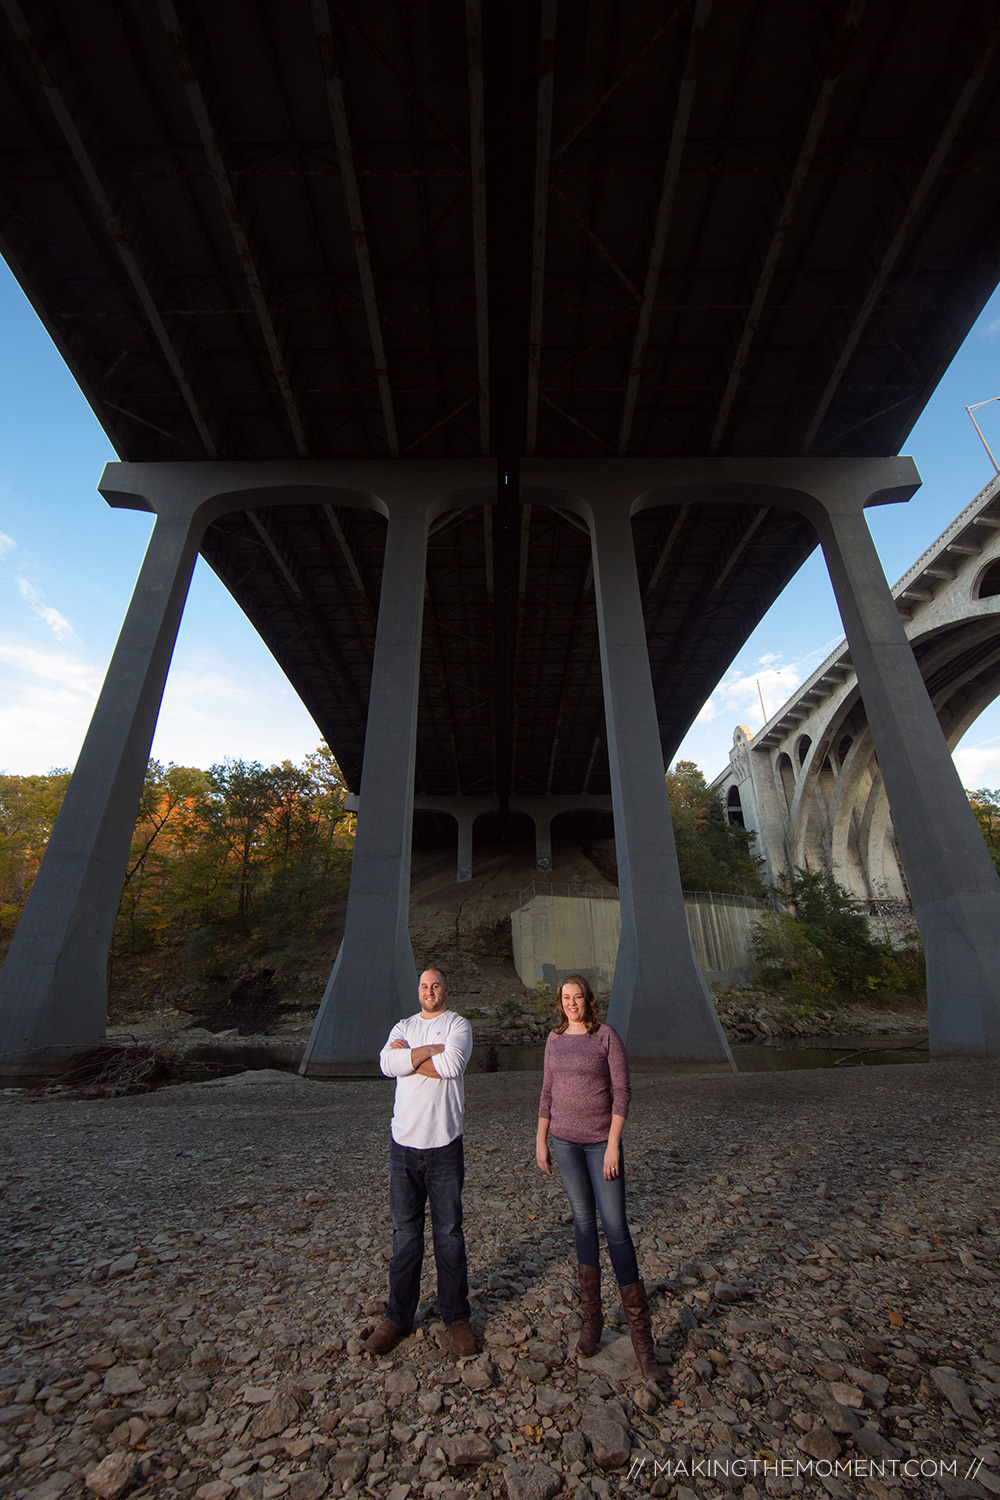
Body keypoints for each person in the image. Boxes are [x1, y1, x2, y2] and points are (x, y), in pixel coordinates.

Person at [535, 973, 658, 1380]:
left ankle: (642, 1340)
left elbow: (622, 1091)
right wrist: (541, 1140)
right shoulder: (554, 1040)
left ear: (588, 1000)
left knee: (616, 1227)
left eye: (577, 997)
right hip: (564, 1143)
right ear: (560, 1003)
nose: (572, 1003)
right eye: (565, 998)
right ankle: (592, 1323)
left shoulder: (606, 1036)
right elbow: (547, 1092)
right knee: (584, 1225)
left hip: (601, 1143)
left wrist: (612, 1144)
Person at [366, 967, 477, 1357]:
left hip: (444, 1143)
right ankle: (397, 1316)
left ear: (446, 989)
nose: (429, 991)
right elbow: (385, 1065)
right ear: (419, 991)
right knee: (405, 1234)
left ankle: (456, 1318)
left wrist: (409, 1058)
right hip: (404, 1145)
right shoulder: (403, 1024)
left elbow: (452, 1067)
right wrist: (426, 1054)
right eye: (424, 987)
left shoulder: (458, 1025)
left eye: (435, 986)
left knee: (448, 1234)